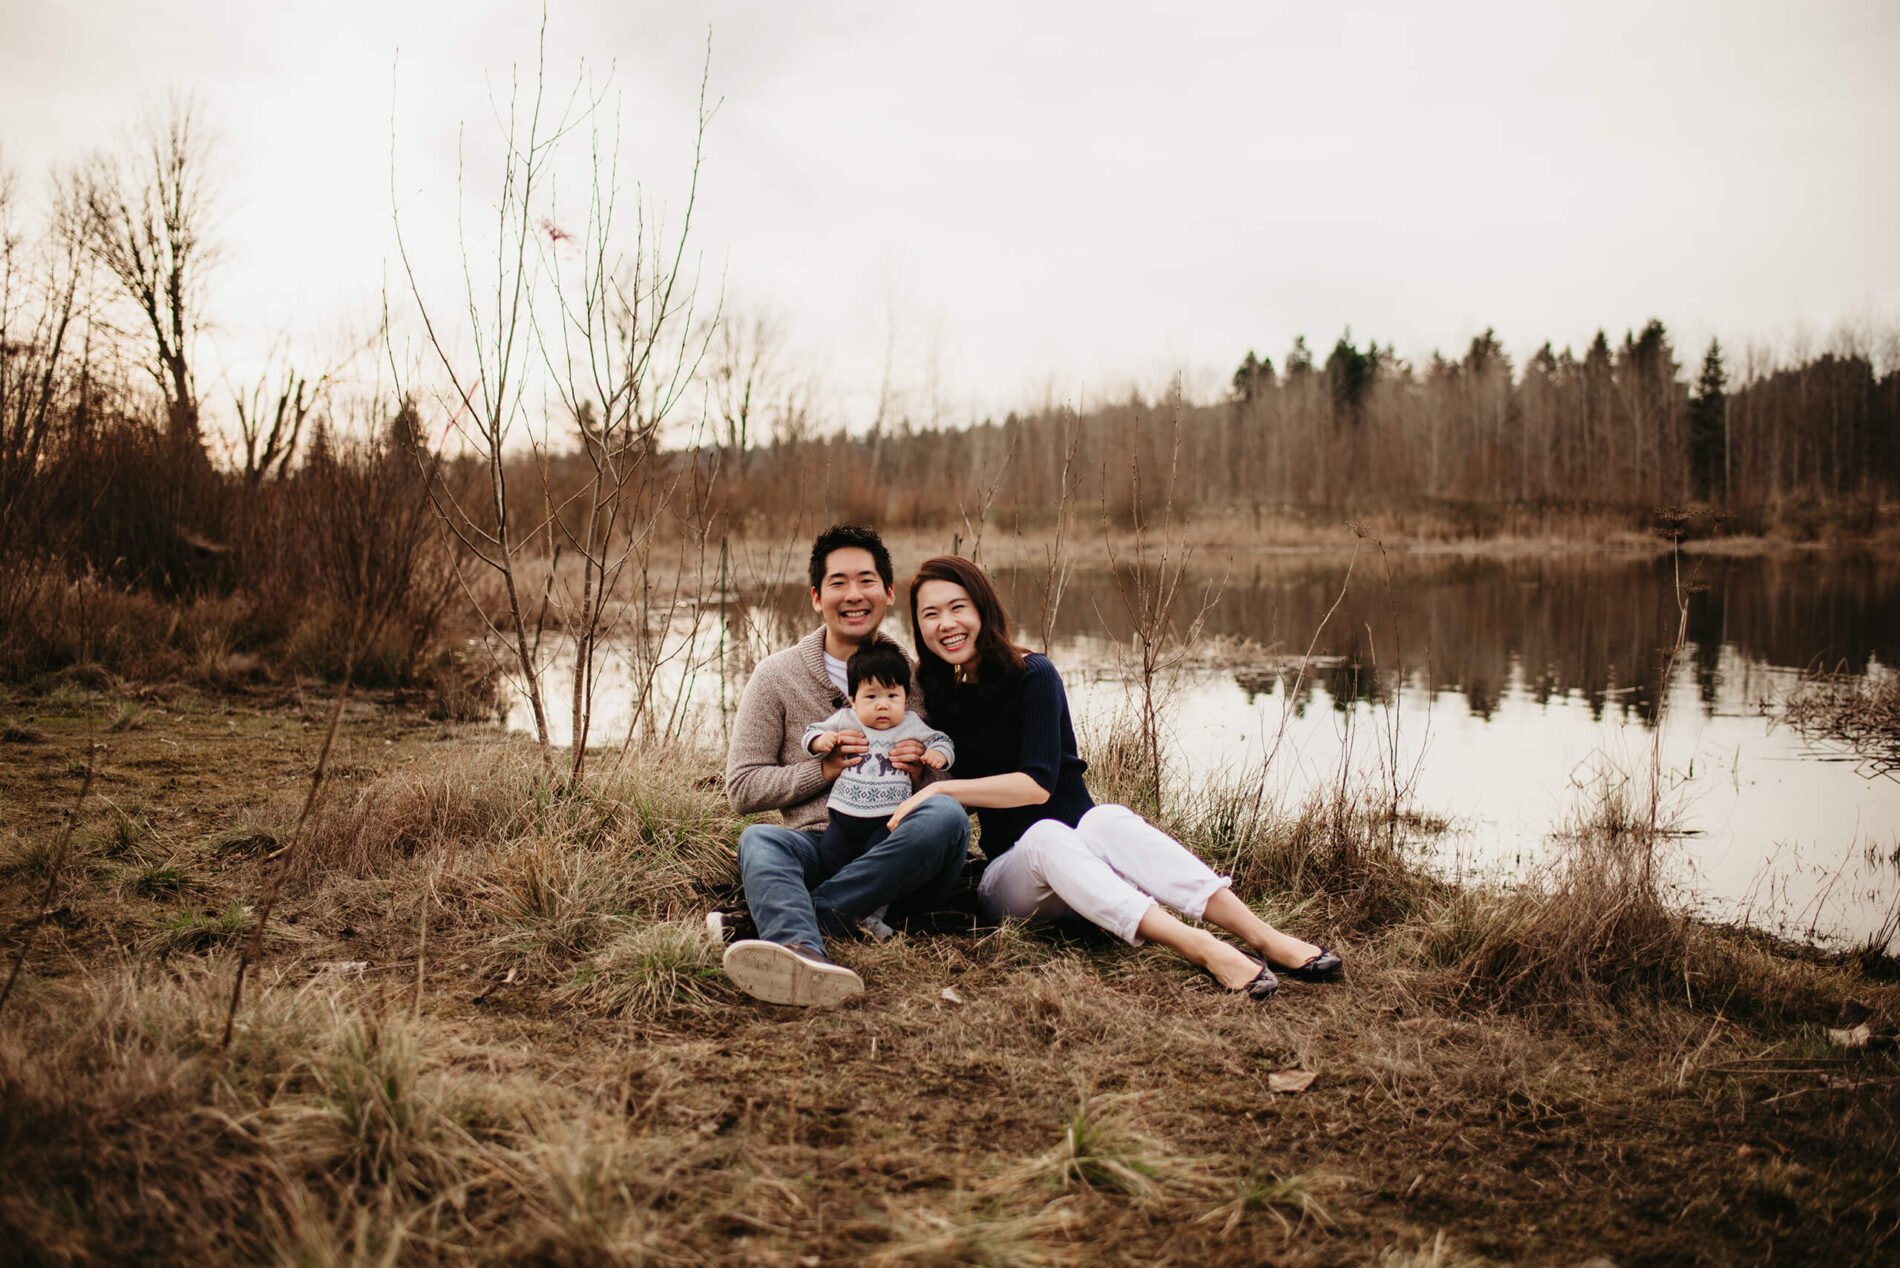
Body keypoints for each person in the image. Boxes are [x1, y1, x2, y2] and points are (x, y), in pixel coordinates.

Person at [886, 555, 1342, 998]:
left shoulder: (1034, 675)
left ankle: (1262, 936)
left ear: (982, 609)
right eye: (930, 614)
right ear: (918, 626)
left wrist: (947, 785)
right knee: (1046, 836)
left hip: (1090, 864)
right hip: (1014, 882)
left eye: (957, 607)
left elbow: (1037, 784)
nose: (946, 623)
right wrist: (921, 766)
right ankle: (1201, 947)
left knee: (1107, 819)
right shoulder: (935, 695)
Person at [719, 525, 972, 1006]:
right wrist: (824, 770)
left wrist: (925, 775)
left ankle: (799, 916)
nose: (853, 595)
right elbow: (743, 788)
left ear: (889, 593)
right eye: (838, 582)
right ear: (816, 597)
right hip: (823, 845)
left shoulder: (919, 677)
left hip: (902, 856)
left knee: (947, 816)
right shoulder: (777, 676)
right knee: (760, 839)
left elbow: (956, 776)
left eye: (867, 580)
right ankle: (803, 950)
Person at [803, 641, 956, 867]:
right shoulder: (846, 719)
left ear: (905, 697)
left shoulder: (910, 724)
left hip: (889, 818)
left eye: (892, 696)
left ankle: (871, 901)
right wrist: (819, 742)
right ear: (854, 701)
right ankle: (829, 894)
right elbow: (812, 731)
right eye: (872, 697)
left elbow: (942, 740)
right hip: (843, 817)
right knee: (829, 855)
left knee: (878, 861)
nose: (882, 705)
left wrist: (938, 754)